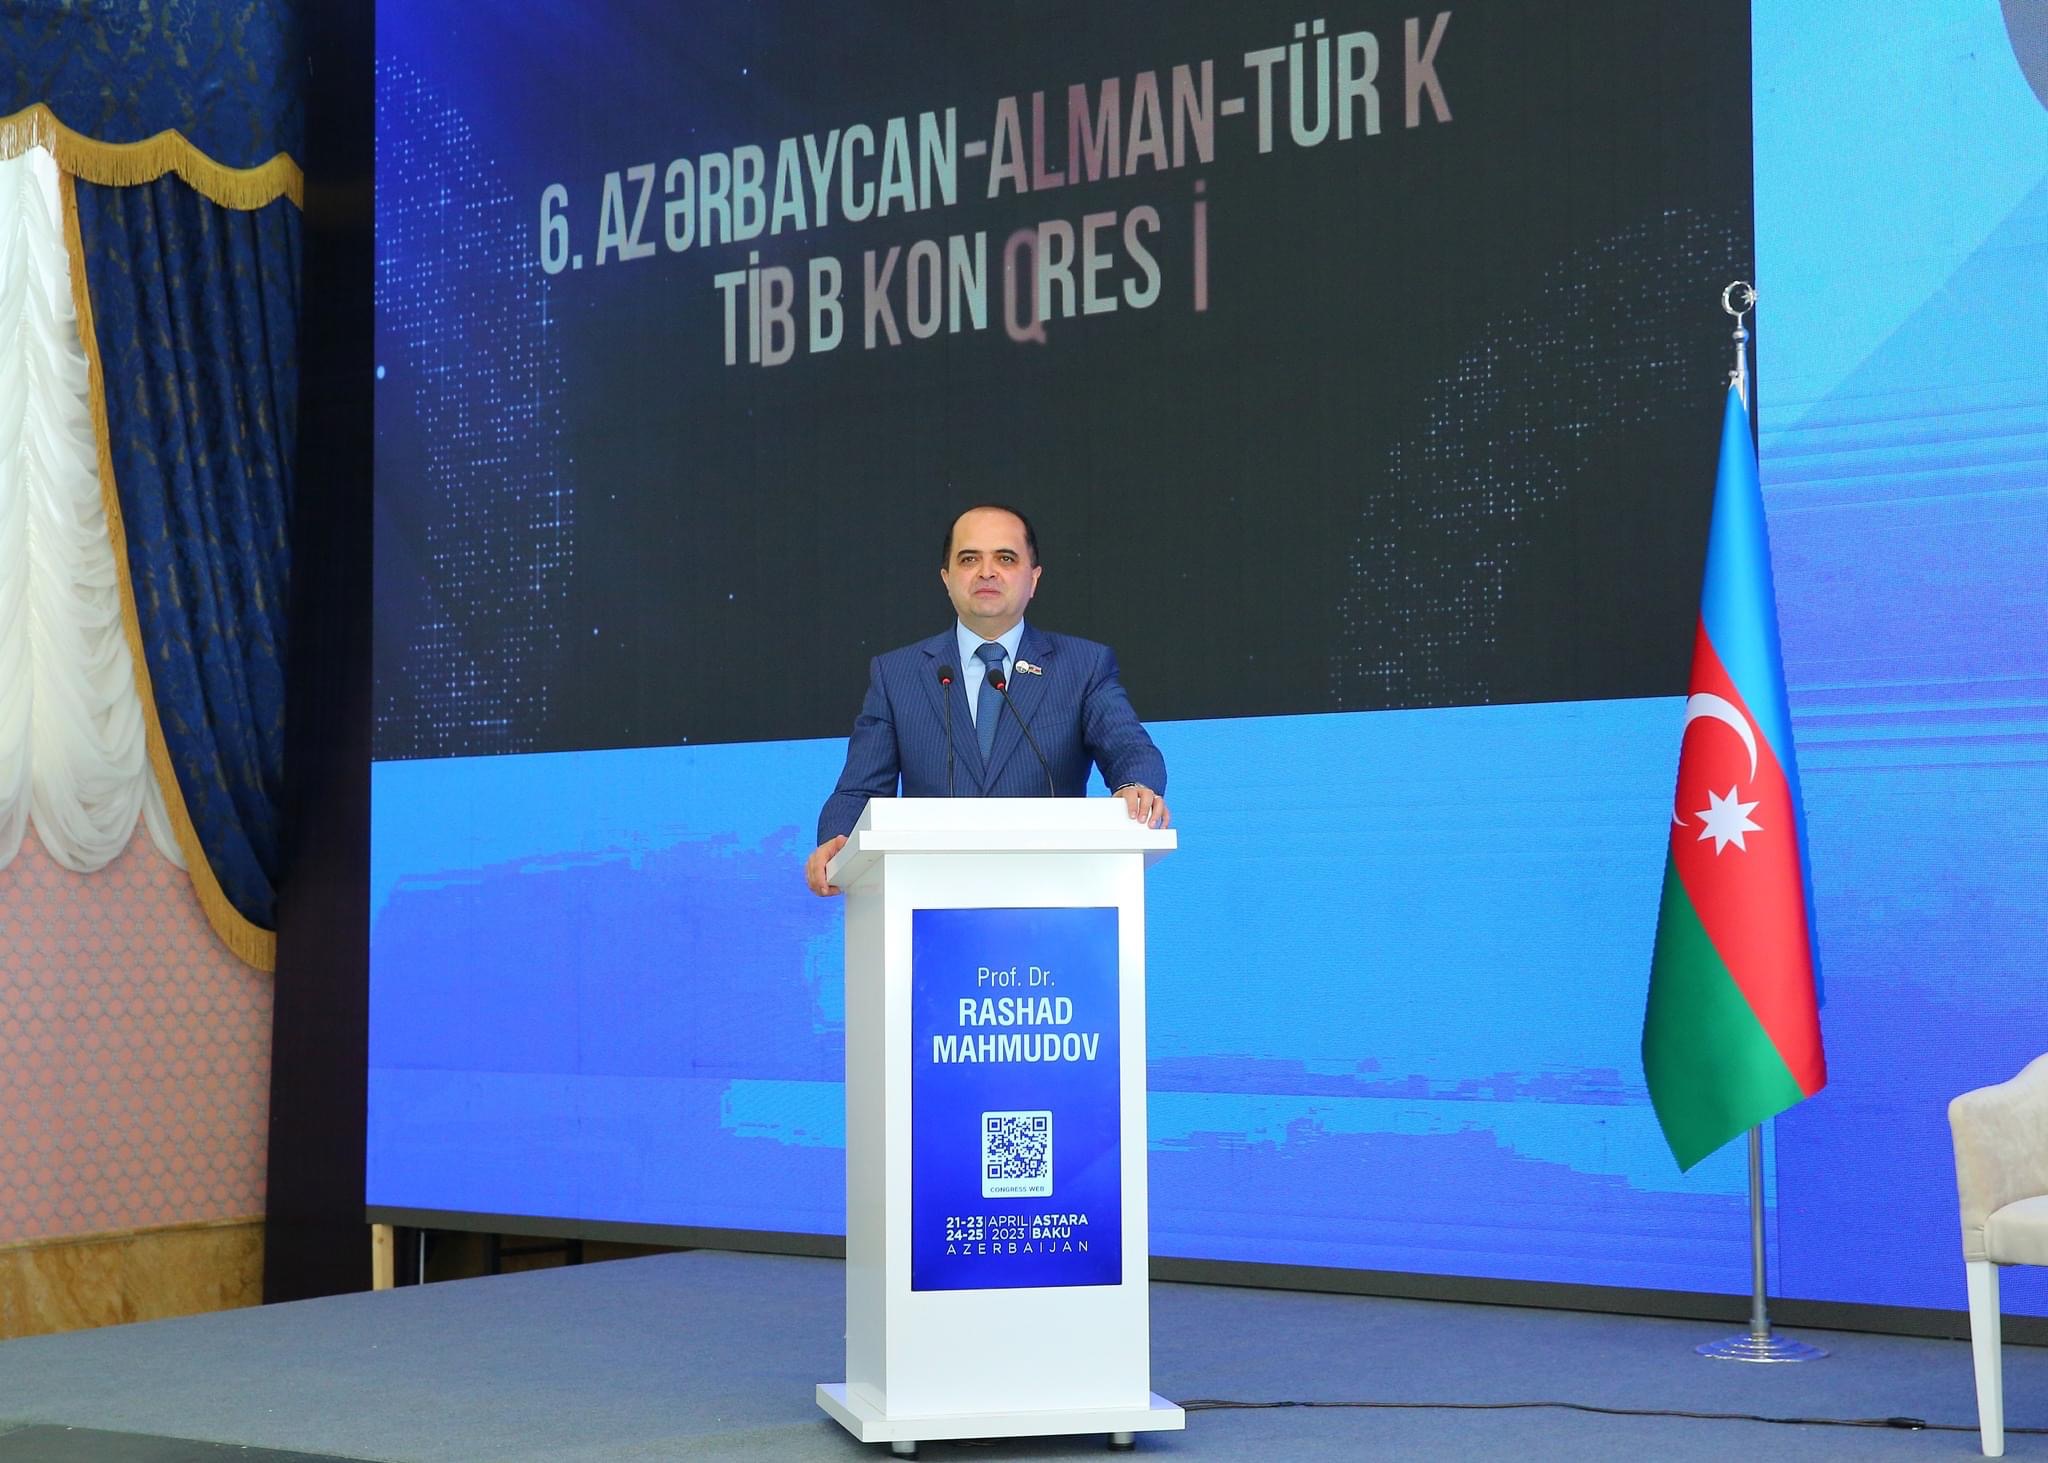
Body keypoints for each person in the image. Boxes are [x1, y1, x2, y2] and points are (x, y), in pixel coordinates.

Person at [805, 505, 1169, 896]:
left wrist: (1135, 785)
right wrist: (837, 839)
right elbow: (859, 791)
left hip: (1054, 894)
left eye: (1005, 558)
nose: (987, 571)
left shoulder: (1083, 667)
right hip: (927, 896)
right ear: (946, 579)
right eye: (969, 559)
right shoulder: (897, 675)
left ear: (1034, 579)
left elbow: (1128, 747)